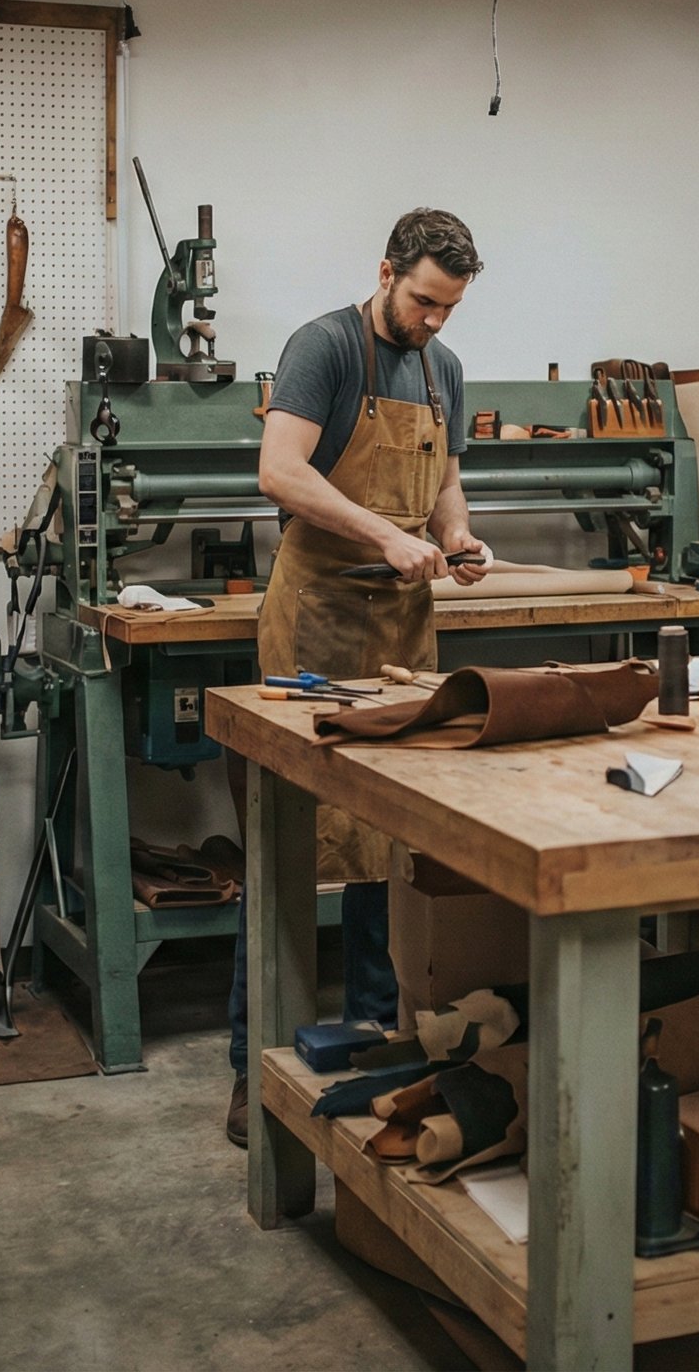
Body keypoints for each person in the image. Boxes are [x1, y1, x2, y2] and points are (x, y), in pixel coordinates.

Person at [225, 208, 488, 1146]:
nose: (433, 323)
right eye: (423, 301)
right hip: (318, 621)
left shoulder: (442, 367)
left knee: (393, 842)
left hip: (403, 628)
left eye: (449, 308)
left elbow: (446, 480)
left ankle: (381, 1048)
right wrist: (383, 533)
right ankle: (248, 1070)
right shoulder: (324, 348)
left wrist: (454, 537)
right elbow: (280, 471)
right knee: (293, 846)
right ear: (385, 273)